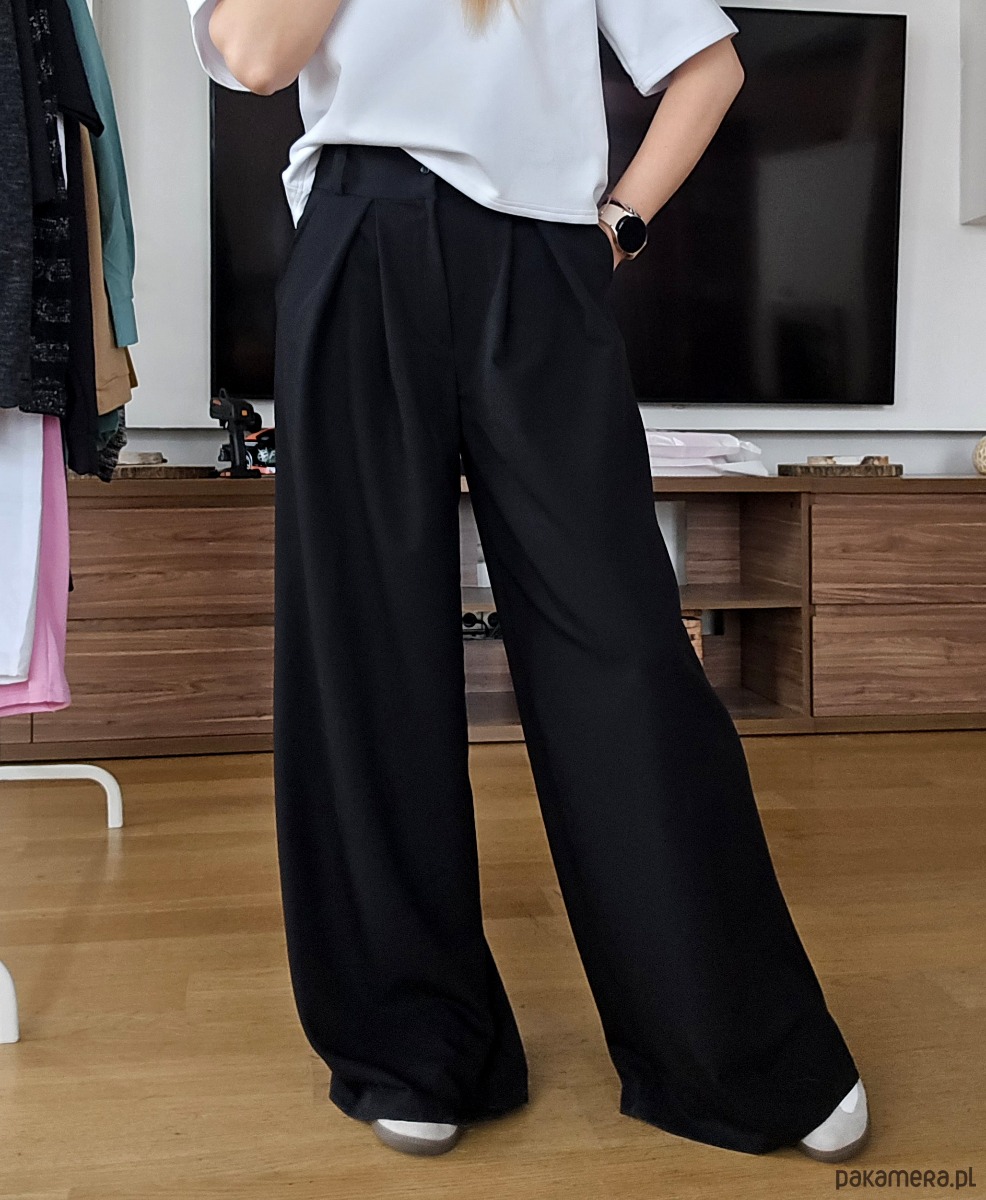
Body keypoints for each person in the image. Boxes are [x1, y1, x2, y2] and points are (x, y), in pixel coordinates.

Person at [185, 0, 871, 1163]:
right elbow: (255, 56)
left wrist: (616, 226)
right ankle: (411, 1042)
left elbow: (707, 70)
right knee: (366, 650)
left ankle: (735, 1044)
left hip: (542, 258)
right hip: (357, 233)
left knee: (623, 649)